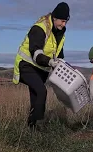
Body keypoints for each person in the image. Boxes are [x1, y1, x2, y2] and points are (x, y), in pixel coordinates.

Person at [12, 2, 70, 131]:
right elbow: (36, 52)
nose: (64, 24)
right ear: (54, 18)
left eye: (66, 21)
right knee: (41, 91)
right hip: (26, 65)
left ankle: (30, 129)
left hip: (40, 69)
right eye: (62, 21)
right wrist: (50, 62)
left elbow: (59, 55)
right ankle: (38, 124)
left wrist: (61, 64)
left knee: (36, 96)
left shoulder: (60, 34)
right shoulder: (39, 28)